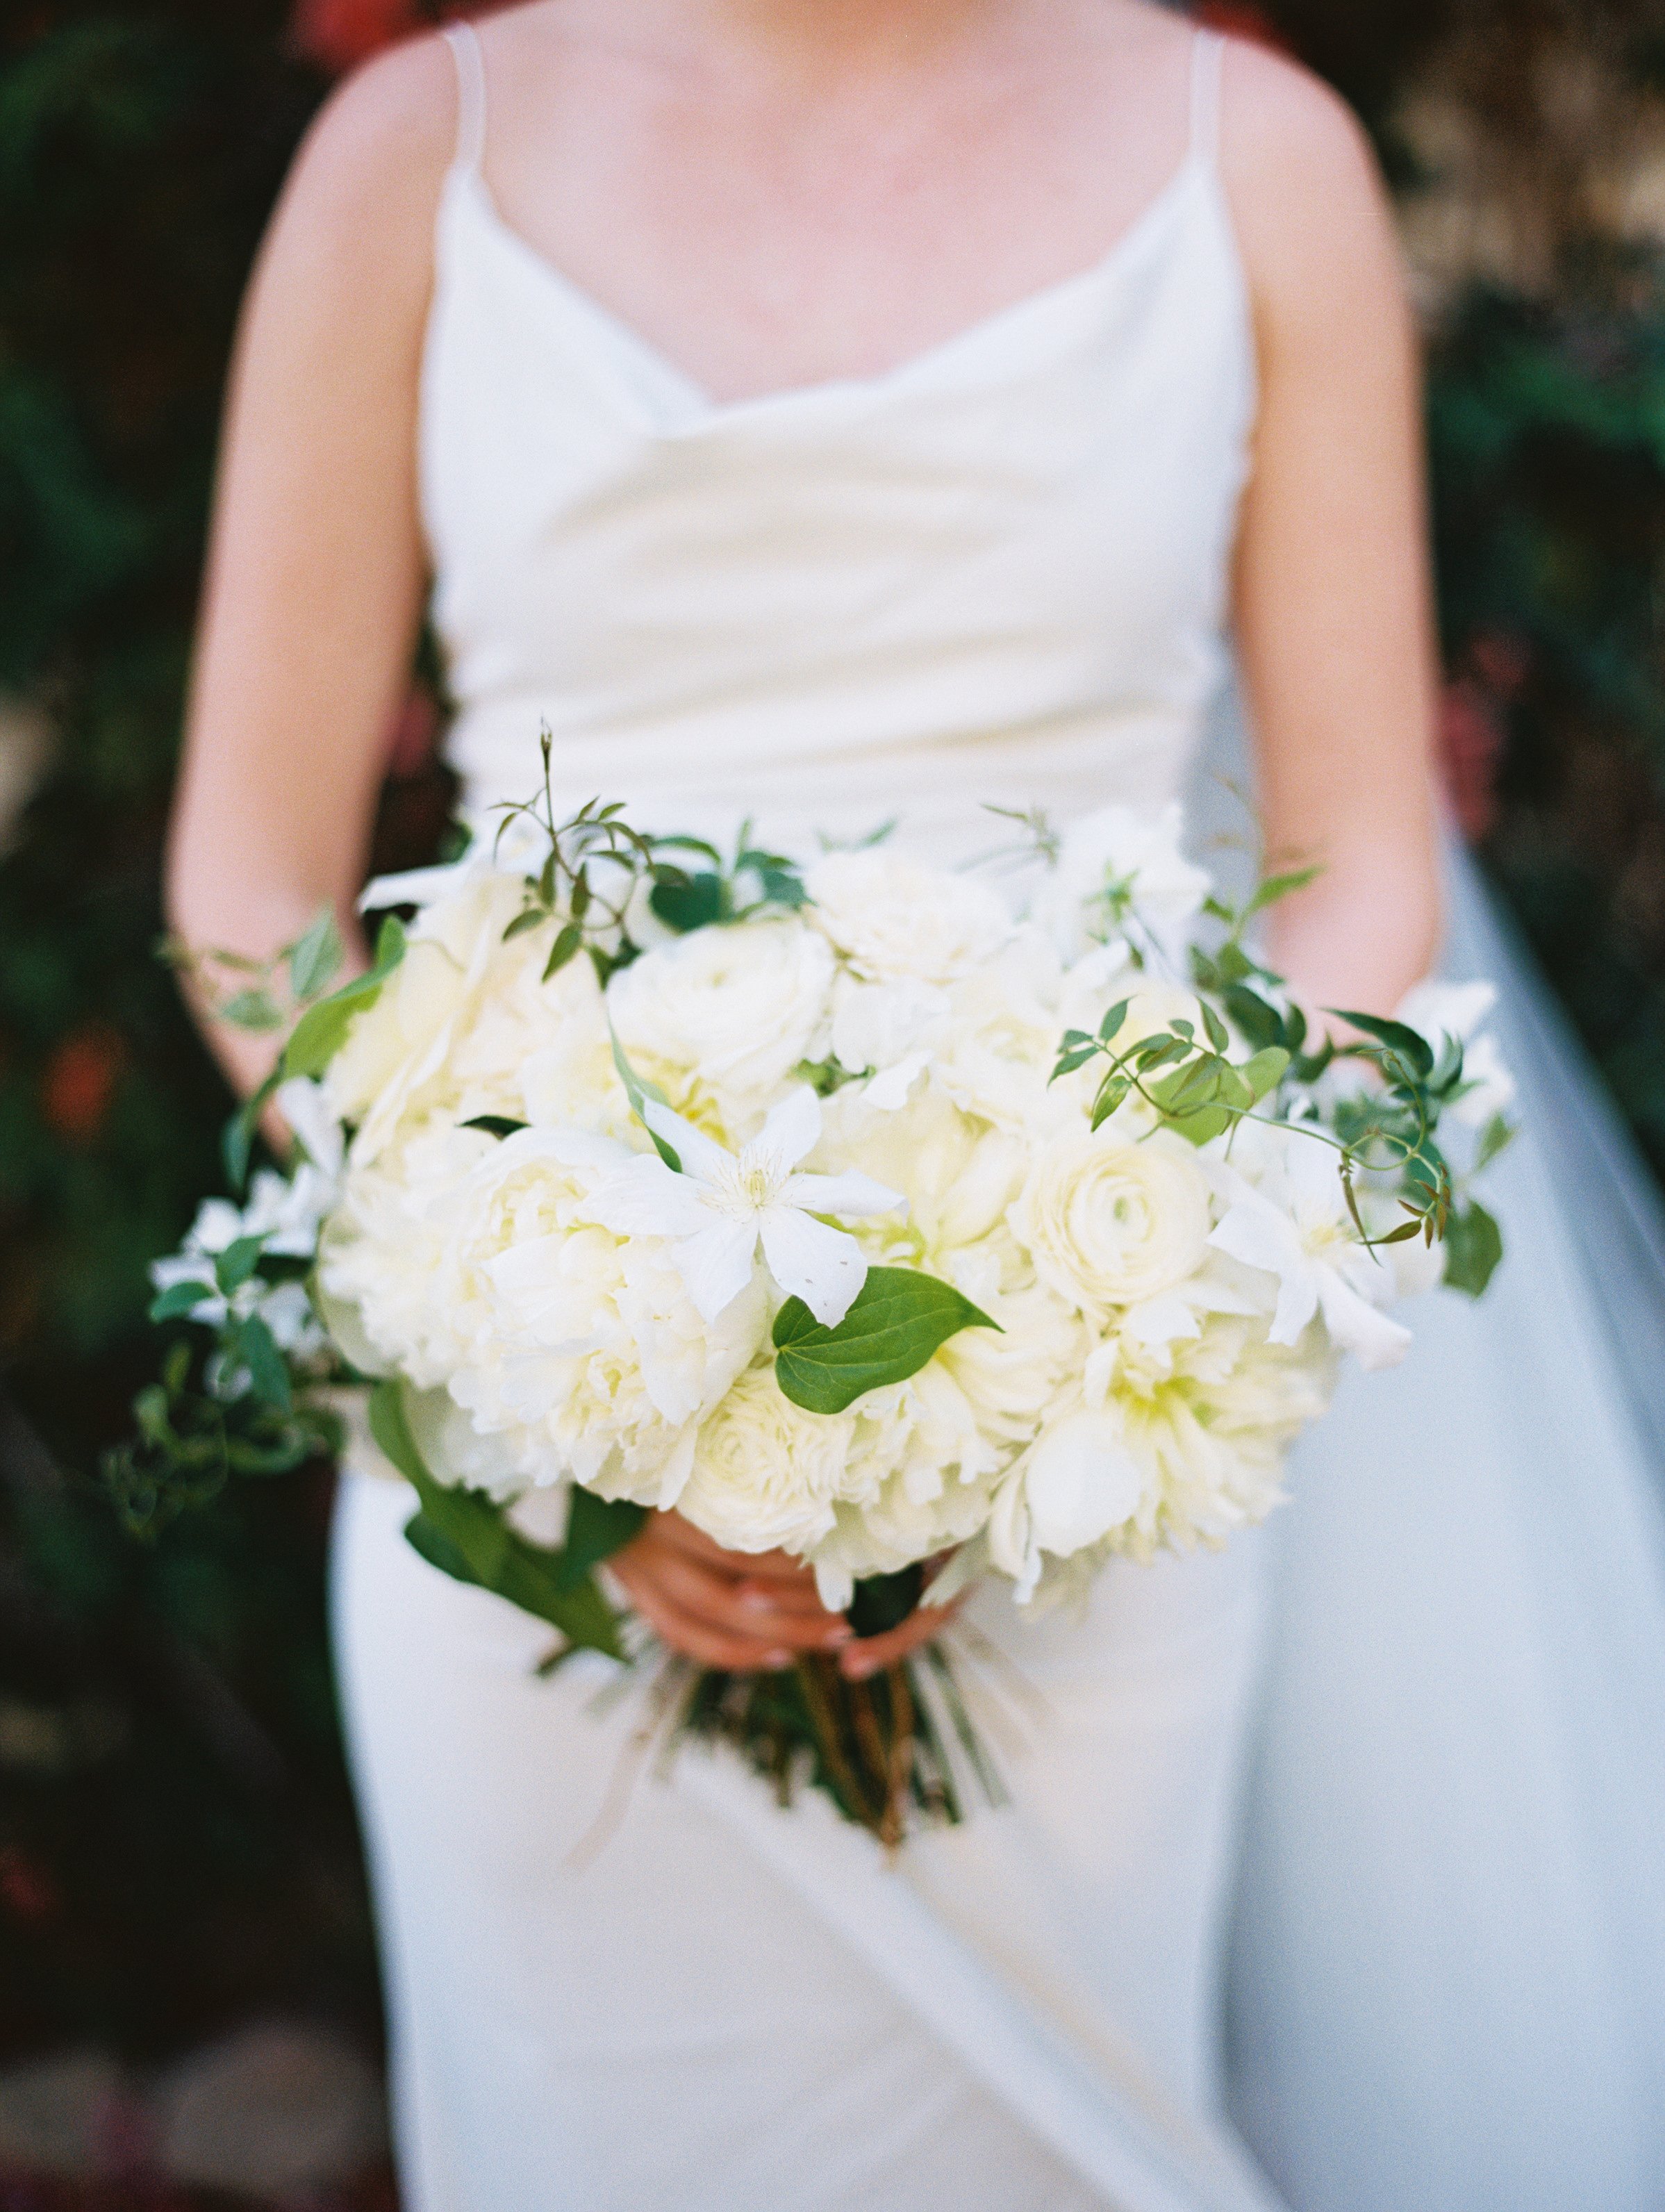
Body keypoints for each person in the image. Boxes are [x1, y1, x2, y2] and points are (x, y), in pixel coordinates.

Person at [164, 3, 1665, 2206]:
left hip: (1073, 1512)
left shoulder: (1256, 159)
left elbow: (1356, 879)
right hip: (535, 1510)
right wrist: (540, 1330)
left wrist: (1092, 1290)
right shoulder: (420, 158)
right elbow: (250, 888)